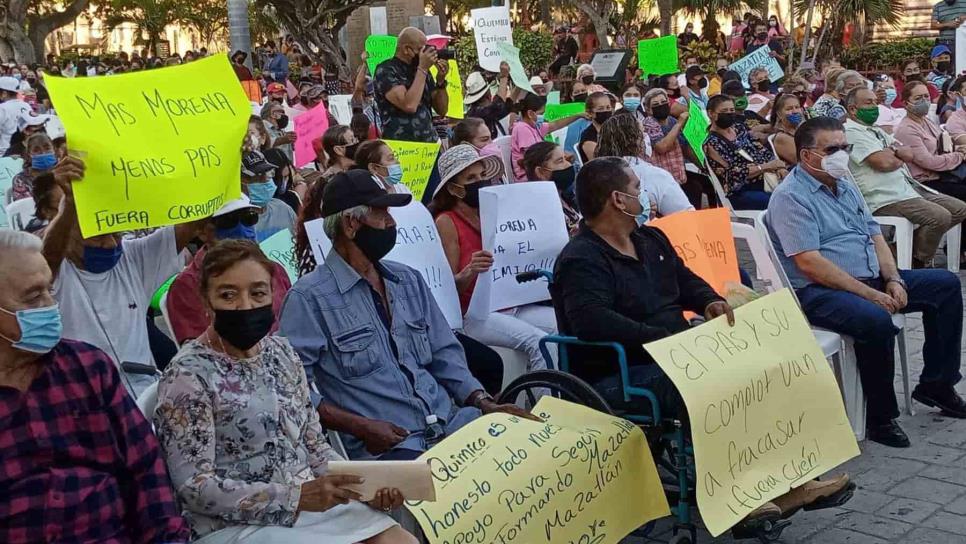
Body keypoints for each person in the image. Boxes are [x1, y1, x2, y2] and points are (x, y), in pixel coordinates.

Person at [554, 157, 855, 524]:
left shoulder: (649, 238)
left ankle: (792, 481)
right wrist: (665, 339)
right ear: (618, 200)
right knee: (718, 384)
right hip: (624, 368)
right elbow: (593, 323)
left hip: (680, 351)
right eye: (637, 188)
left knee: (771, 367)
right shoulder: (581, 258)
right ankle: (739, 495)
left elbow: (685, 280)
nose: (643, 195)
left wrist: (709, 300)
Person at [155, 239, 416, 544]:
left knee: (400, 540)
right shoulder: (187, 375)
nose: (245, 306)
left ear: (272, 294)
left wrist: (363, 487)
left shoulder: (281, 354)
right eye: (228, 295)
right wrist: (294, 498)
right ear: (206, 301)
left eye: (258, 293)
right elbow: (195, 488)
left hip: (309, 508)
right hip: (232, 525)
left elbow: (314, 445)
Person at [281, 170, 529, 460]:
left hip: (452, 424)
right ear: (351, 224)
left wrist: (482, 400)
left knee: (531, 454)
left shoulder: (407, 280)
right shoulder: (308, 300)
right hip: (392, 449)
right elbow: (291, 390)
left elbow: (444, 351)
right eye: (382, 213)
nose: (391, 223)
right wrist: (361, 427)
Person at [766, 116, 966, 447]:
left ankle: (938, 384)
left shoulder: (844, 185)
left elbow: (874, 235)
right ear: (806, 155)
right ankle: (880, 417)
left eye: (846, 147)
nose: (842, 154)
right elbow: (810, 263)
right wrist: (869, 295)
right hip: (819, 291)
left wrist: (894, 279)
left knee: (944, 285)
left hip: (869, 277)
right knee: (875, 319)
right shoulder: (791, 197)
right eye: (832, 149)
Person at [0, 230, 190, 543]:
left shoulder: (87, 368)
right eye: (34, 297)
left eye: (50, 290)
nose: (51, 305)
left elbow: (145, 472)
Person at [40, 157, 200, 396]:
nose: (110, 244)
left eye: (117, 235)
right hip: (83, 403)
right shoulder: (51, 271)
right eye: (97, 236)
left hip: (146, 396)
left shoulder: (134, 258)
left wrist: (219, 168)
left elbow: (191, 223)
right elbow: (48, 258)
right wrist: (71, 204)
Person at [431, 144, 558, 367]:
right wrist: (470, 270)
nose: (480, 181)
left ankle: (565, 393)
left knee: (560, 326)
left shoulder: (495, 210)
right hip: (474, 313)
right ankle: (545, 400)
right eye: (471, 178)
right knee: (539, 342)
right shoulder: (447, 221)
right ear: (455, 189)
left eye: (482, 175)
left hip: (512, 301)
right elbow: (448, 289)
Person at [845, 87, 966, 268]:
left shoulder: (875, 130)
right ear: (853, 109)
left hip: (907, 188)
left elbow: (908, 154)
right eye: (868, 103)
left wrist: (894, 153)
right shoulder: (851, 132)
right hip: (883, 196)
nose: (874, 107)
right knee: (939, 216)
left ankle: (903, 254)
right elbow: (884, 163)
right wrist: (896, 153)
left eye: (875, 102)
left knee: (959, 208)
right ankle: (918, 262)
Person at [166, 196, 293, 345]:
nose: (241, 228)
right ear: (202, 232)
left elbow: (295, 326)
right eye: (228, 221)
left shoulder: (275, 270)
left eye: (249, 218)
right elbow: (201, 349)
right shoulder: (187, 285)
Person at [598, 113, 693, 217]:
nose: (646, 136)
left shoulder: (595, 175)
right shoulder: (654, 175)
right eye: (643, 132)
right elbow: (686, 216)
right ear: (635, 140)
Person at [706, 94, 785, 209]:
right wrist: (765, 167)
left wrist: (779, 167)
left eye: (731, 110)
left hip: (766, 178)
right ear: (711, 114)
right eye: (724, 111)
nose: (729, 113)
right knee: (779, 201)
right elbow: (733, 175)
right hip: (741, 191)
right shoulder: (712, 144)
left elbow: (760, 148)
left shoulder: (739, 128)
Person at [373, 27, 449, 143]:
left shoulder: (422, 70)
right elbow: (409, 105)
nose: (424, 54)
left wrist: (441, 82)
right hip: (402, 144)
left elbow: (442, 110)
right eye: (421, 49)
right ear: (406, 49)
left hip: (429, 143)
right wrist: (422, 69)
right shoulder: (386, 69)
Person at [895, 80, 966, 202]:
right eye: (918, 98)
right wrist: (958, 156)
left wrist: (959, 149)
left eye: (926, 96)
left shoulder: (926, 121)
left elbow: (943, 147)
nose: (924, 101)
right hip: (927, 182)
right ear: (905, 103)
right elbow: (928, 162)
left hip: (944, 173)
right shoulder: (907, 129)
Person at [510, 93, 585, 181]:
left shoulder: (535, 127)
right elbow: (533, 158)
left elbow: (555, 124)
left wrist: (578, 115)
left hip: (541, 170)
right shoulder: (522, 129)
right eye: (541, 113)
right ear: (530, 113)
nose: (543, 116)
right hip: (530, 176)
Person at [519, 141, 580, 234]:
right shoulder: (542, 210)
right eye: (560, 161)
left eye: (565, 159)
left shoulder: (565, 195)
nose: (568, 164)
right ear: (540, 172)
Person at [241, 150, 297, 242]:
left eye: (265, 174)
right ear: (241, 183)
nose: (264, 180)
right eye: (256, 177)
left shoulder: (283, 209)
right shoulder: (236, 224)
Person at [641, 88, 688, 185]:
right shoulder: (649, 123)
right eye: (655, 105)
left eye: (663, 102)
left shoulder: (672, 120)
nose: (661, 106)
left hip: (677, 176)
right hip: (661, 181)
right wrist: (679, 124)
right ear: (648, 110)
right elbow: (661, 147)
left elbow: (685, 146)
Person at [8, 132, 56, 202]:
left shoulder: (64, 171)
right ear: (29, 154)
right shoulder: (21, 180)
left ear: (54, 149)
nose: (43, 153)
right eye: (36, 150)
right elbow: (24, 208)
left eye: (47, 148)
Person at [464, 69, 511, 139]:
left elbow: (502, 104)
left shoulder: (471, 114)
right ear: (488, 95)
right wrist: (504, 77)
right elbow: (499, 103)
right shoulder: (481, 113)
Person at [578, 92, 615, 163]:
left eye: (608, 107)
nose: (606, 111)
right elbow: (600, 166)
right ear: (590, 113)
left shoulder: (612, 129)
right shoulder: (589, 139)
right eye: (600, 109)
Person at [771, 93, 805, 165]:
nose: (795, 111)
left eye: (797, 107)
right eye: (789, 109)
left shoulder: (802, 130)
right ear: (779, 114)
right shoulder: (781, 137)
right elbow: (803, 162)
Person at [0, 76, 30, 155]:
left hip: (5, 152)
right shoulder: (26, 105)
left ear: (4, 93)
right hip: (24, 150)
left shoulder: (2, 108)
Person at [932, 0, 966, 65]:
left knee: (962, 68)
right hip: (946, 44)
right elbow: (933, 25)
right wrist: (947, 24)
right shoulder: (938, 6)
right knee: (948, 68)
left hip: (963, 43)